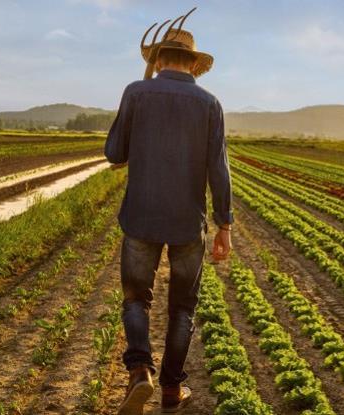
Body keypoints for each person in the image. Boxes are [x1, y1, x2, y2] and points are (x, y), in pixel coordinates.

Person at [104, 8, 232, 414]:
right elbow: (219, 169)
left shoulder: (136, 92)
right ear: (193, 64)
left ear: (158, 61)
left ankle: (140, 371)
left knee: (135, 299)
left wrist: (133, 124)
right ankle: (172, 390)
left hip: (140, 216)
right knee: (183, 307)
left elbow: (114, 153)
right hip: (187, 223)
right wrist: (225, 224)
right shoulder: (210, 103)